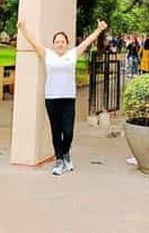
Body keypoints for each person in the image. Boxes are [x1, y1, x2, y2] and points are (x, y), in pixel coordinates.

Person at [17, 18, 108, 176]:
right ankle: (59, 161)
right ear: (54, 44)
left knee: (68, 131)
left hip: (68, 98)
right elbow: (33, 42)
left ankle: (65, 153)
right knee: (56, 130)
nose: (60, 44)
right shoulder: (48, 54)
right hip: (51, 98)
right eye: (57, 42)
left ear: (67, 43)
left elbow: (87, 42)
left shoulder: (73, 54)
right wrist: (23, 28)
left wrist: (99, 30)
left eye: (62, 41)